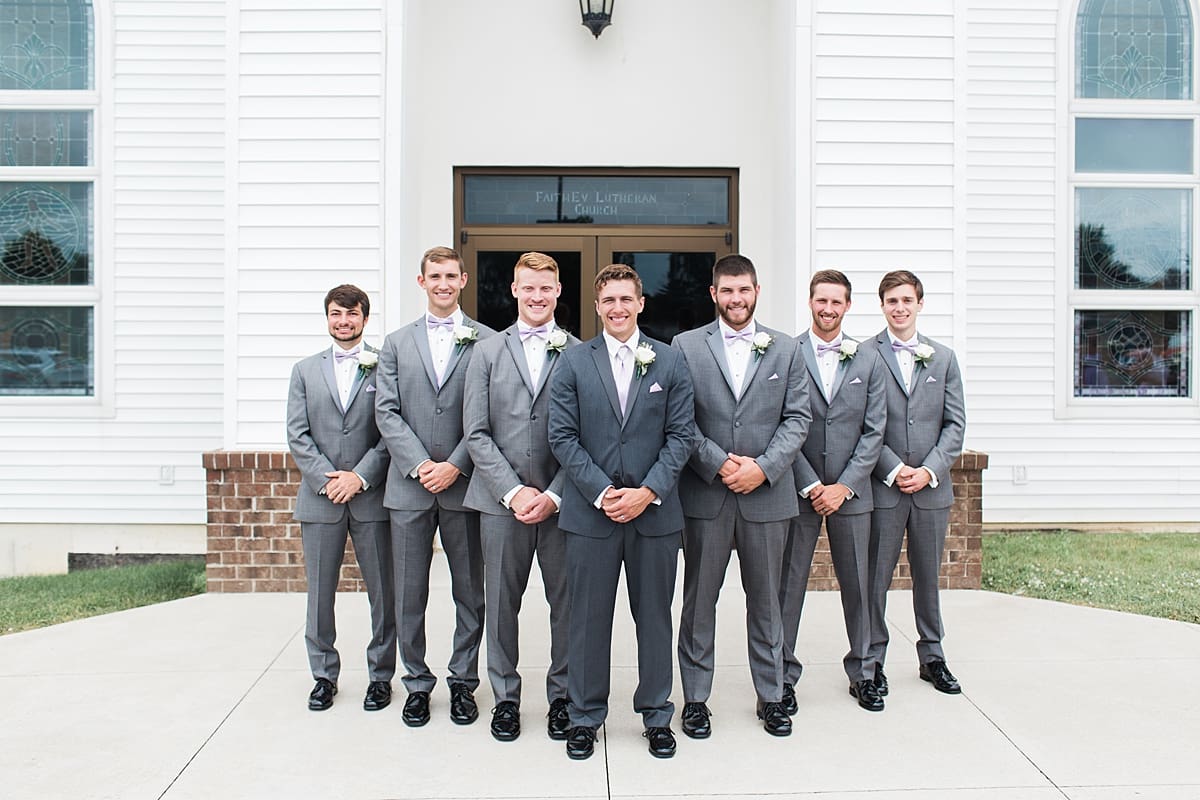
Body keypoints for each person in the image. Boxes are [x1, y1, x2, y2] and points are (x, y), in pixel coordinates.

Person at [547, 263, 697, 761]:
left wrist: (648, 492)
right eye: (608, 300)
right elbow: (562, 437)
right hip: (591, 515)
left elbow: (681, 436)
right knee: (588, 620)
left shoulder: (670, 362)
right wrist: (602, 492)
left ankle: (656, 713)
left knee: (653, 616)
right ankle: (586, 716)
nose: (617, 308)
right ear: (596, 305)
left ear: (640, 304)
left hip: (655, 515)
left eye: (625, 299)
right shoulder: (573, 362)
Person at [672, 254, 810, 739]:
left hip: (767, 498)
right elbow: (679, 421)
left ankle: (771, 696)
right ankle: (694, 699)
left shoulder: (788, 349)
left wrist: (763, 468)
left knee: (768, 601)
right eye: (727, 291)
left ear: (757, 291)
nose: (736, 299)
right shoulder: (685, 347)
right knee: (698, 602)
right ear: (714, 294)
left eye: (744, 290)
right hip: (706, 497)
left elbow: (798, 419)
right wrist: (719, 463)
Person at [375, 246, 495, 727]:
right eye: (435, 276)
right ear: (421, 282)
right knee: (409, 591)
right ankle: (417, 683)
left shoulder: (487, 342)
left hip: (465, 487)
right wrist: (421, 463)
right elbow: (385, 411)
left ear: (463, 280)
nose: (443, 283)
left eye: (451, 275)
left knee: (470, 591)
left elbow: (489, 416)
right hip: (410, 486)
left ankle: (463, 682)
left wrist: (456, 464)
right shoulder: (396, 343)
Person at [463, 252, 580, 742]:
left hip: (561, 504)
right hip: (500, 503)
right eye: (527, 288)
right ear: (514, 290)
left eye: (545, 288)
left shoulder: (578, 352)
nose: (536, 296)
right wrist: (512, 492)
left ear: (557, 293)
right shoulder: (486, 352)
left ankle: (563, 697)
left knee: (566, 604)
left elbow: (586, 435)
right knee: (501, 602)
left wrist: (552, 495)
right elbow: (476, 432)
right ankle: (505, 697)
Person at [781, 269, 887, 713]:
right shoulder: (787, 353)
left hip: (852, 491)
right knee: (788, 584)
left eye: (836, 302)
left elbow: (875, 430)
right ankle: (780, 675)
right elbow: (781, 423)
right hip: (798, 487)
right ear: (810, 302)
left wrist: (843, 486)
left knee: (859, 584)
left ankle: (863, 671)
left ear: (847, 306)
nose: (828, 309)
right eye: (821, 300)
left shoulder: (868, 360)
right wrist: (811, 483)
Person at [286, 284, 395, 713]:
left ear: (365, 319)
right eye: (336, 314)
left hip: (371, 497)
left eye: (352, 314)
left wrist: (361, 477)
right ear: (327, 318)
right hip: (321, 498)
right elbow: (298, 434)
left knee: (383, 593)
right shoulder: (304, 371)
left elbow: (391, 429)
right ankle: (323, 675)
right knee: (320, 593)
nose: (344, 321)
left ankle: (381, 676)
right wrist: (328, 480)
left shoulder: (385, 365)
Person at [865, 270, 966, 697]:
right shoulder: (865, 355)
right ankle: (870, 661)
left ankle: (933, 657)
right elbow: (862, 423)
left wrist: (928, 470)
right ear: (883, 305)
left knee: (928, 576)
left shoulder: (942, 357)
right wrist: (892, 468)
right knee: (876, 578)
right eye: (892, 301)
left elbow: (955, 424)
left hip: (930, 490)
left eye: (907, 300)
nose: (900, 308)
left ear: (920, 304)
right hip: (884, 487)